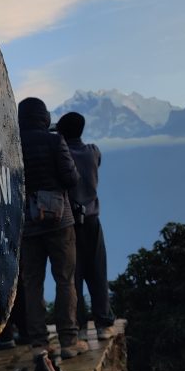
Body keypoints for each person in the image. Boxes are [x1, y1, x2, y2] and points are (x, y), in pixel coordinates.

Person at [18, 97, 88, 359]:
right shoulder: (54, 140)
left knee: (32, 283)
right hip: (60, 221)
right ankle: (69, 340)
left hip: (28, 224)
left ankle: (38, 343)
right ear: (43, 117)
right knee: (65, 279)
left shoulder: (12, 143)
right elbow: (71, 178)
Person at [56, 111, 116, 341]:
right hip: (92, 220)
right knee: (98, 271)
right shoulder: (93, 152)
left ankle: (79, 325)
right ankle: (103, 322)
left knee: (74, 274)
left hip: (69, 222)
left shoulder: (61, 154)